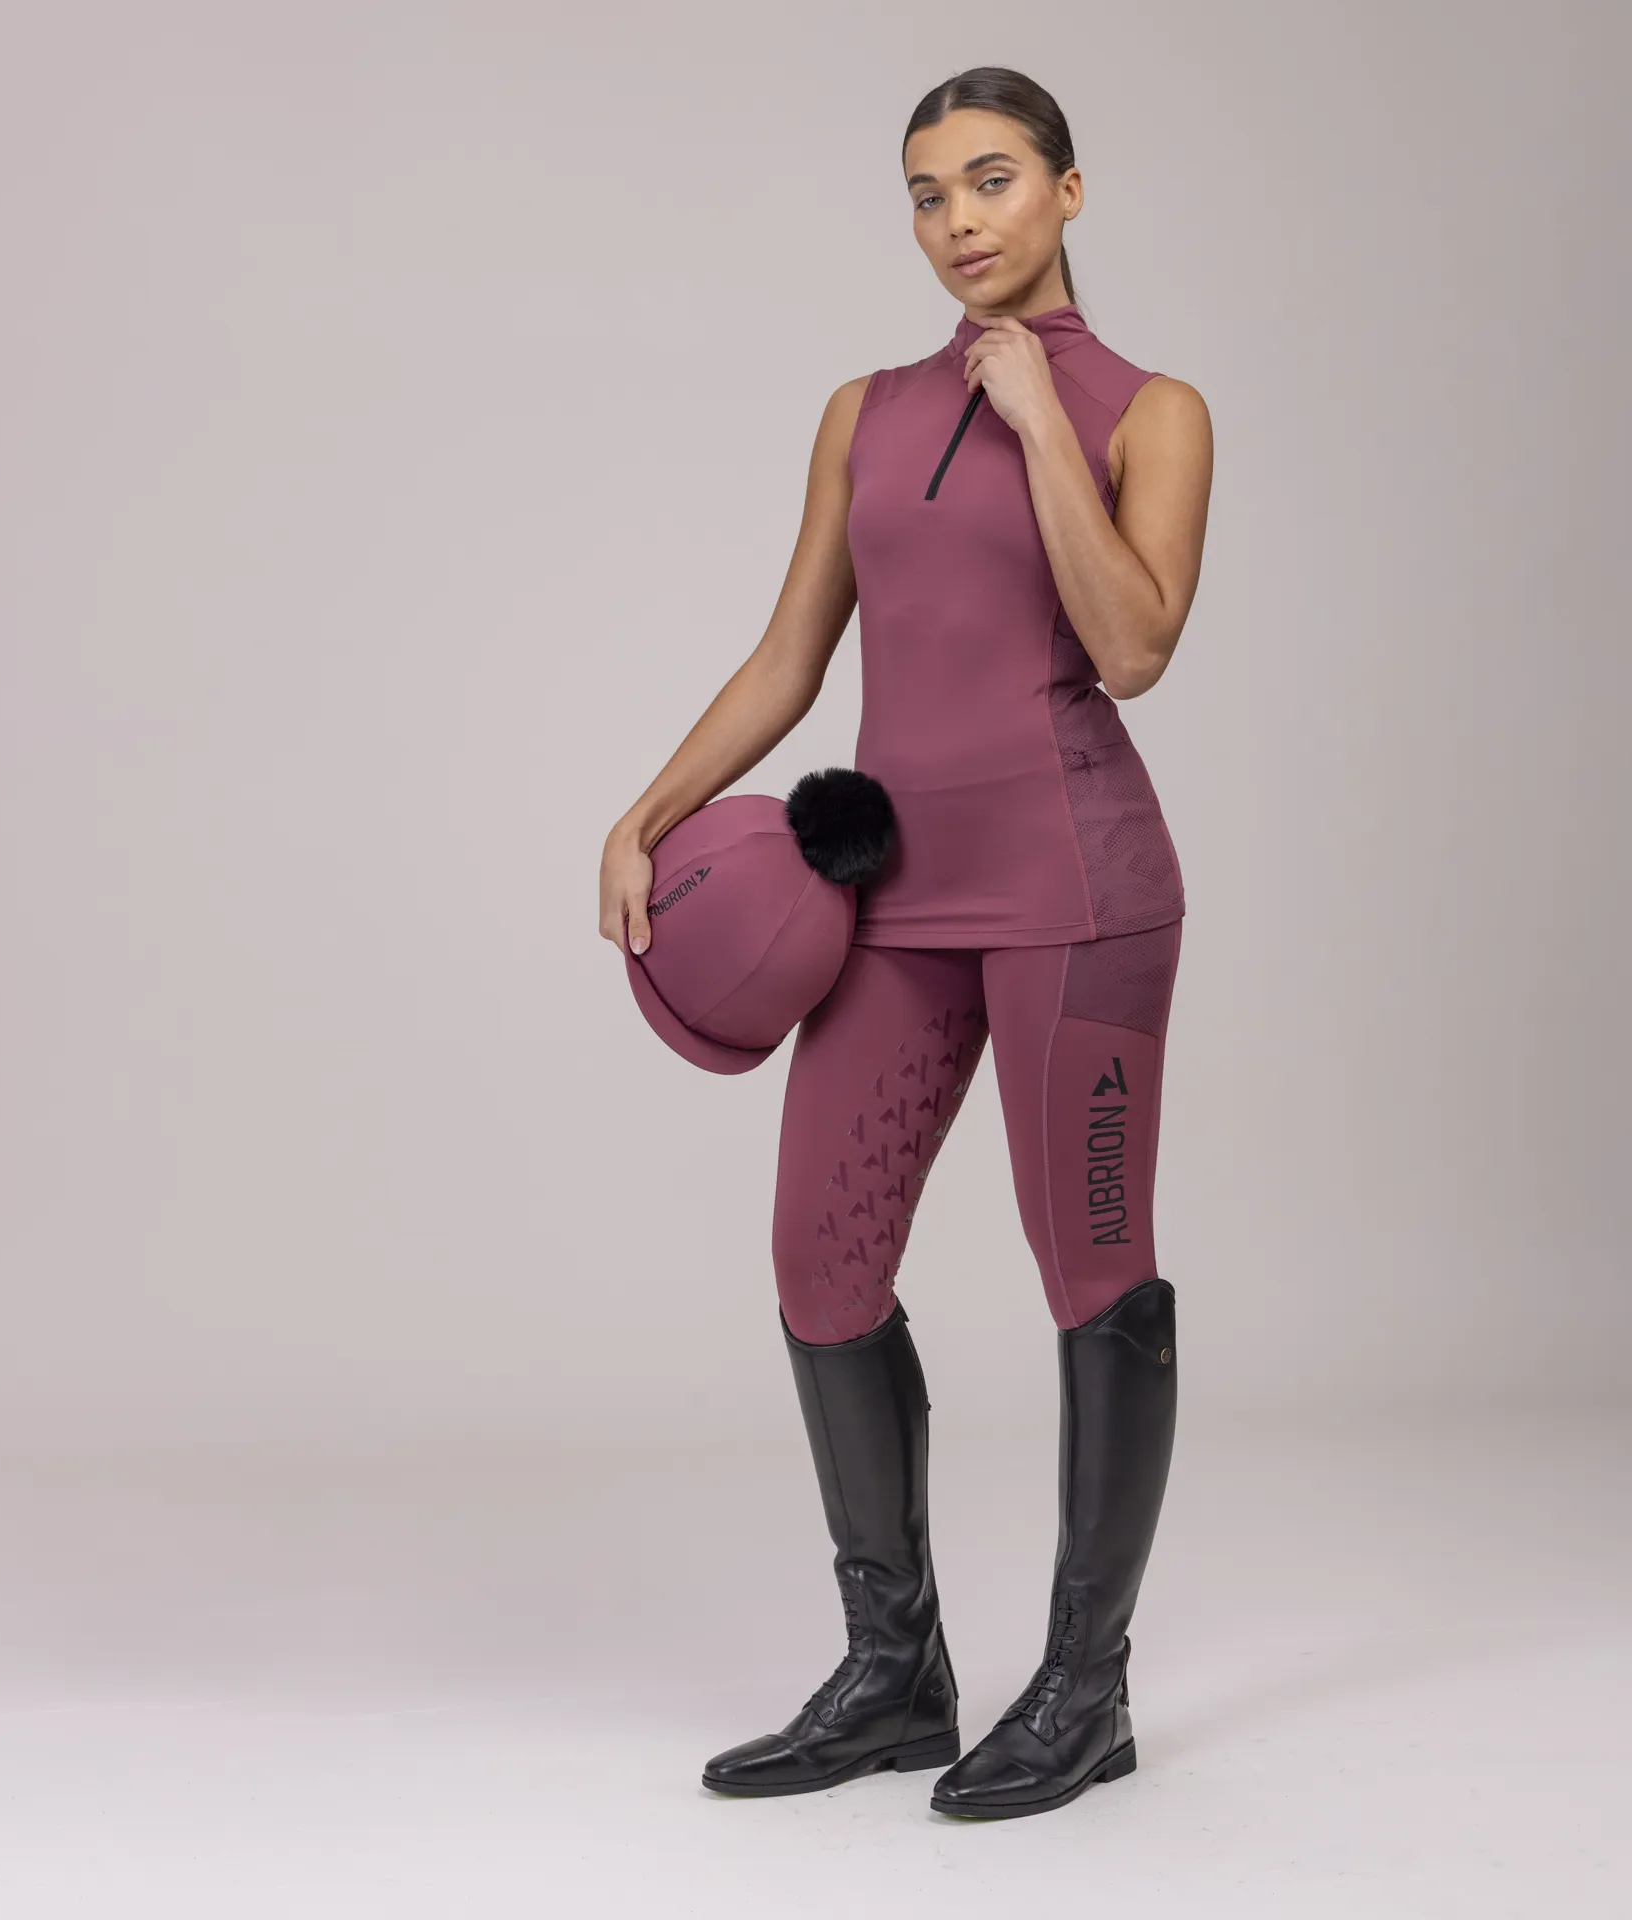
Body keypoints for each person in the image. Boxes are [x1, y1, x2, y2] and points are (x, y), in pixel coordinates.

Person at [598, 65, 1214, 1820]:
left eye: (994, 180)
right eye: (929, 193)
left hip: (1081, 894)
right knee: (821, 1259)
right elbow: (794, 655)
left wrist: (1036, 421)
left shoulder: (1152, 411)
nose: (960, 221)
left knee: (1092, 1264)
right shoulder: (862, 412)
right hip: (897, 900)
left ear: (1070, 192)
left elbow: (1137, 645)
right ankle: (894, 1675)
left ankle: (1085, 1692)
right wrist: (645, 812)